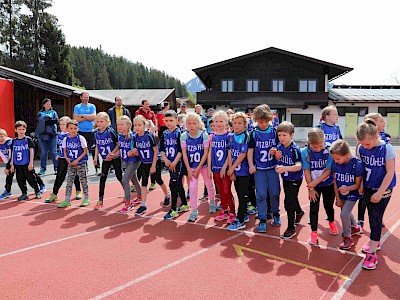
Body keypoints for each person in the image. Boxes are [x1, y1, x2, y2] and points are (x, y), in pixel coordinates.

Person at [357, 121, 396, 270]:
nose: (365, 147)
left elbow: (390, 172)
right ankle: (376, 240)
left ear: (375, 136)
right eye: (363, 144)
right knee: (371, 215)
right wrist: (361, 184)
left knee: (376, 218)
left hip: (383, 189)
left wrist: (380, 192)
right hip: (368, 187)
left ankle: (372, 253)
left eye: (368, 144)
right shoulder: (361, 148)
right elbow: (361, 168)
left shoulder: (387, 149)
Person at [302, 128, 337, 245]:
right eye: (315, 147)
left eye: (320, 146)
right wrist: (311, 188)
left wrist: (314, 183)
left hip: (328, 183)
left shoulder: (329, 150)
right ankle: (313, 233)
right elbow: (306, 171)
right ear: (309, 143)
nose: (318, 149)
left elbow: (328, 170)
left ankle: (332, 222)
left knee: (328, 206)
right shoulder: (305, 152)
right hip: (314, 185)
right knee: (313, 208)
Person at [248, 104, 280, 233]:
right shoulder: (254, 134)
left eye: (266, 121)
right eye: (261, 122)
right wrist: (251, 165)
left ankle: (275, 213)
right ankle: (262, 219)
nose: (263, 124)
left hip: (272, 168)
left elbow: (279, 148)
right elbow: (250, 151)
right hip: (260, 169)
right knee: (260, 194)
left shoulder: (274, 132)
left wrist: (276, 151)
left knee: (274, 193)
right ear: (256, 120)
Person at [357, 113, 390, 231]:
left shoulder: (385, 142)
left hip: (379, 183)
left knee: (376, 211)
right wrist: (360, 183)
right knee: (364, 201)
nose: (384, 123)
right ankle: (360, 220)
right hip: (367, 181)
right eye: (381, 121)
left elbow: (389, 168)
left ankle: (377, 222)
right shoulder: (363, 143)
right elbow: (360, 162)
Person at [181, 113, 216, 222]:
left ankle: (212, 201)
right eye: (189, 123)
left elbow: (206, 153)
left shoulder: (204, 135)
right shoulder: (184, 136)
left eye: (194, 123)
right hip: (191, 166)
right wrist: (188, 170)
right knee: (192, 187)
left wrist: (199, 167)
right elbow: (184, 154)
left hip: (203, 165)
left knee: (209, 184)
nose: (191, 126)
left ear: (198, 124)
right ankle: (194, 210)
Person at [330, 140, 363, 250]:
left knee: (344, 214)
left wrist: (347, 188)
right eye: (334, 158)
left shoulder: (357, 164)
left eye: (338, 159)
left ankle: (348, 237)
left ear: (347, 155)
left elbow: (357, 185)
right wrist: (337, 198)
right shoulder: (335, 163)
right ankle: (355, 227)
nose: (335, 161)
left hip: (353, 193)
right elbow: (335, 181)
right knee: (346, 211)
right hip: (341, 193)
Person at [132, 115, 168, 215]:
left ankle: (167, 195)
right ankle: (143, 204)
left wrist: (153, 165)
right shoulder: (135, 137)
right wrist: (134, 152)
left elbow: (155, 151)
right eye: (135, 125)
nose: (137, 127)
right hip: (144, 163)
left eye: (139, 125)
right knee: (144, 183)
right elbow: (138, 150)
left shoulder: (149, 136)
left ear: (144, 125)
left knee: (158, 180)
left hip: (154, 162)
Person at [274, 121, 304, 239]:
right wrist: (276, 156)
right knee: (292, 198)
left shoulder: (295, 149)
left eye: (284, 135)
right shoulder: (279, 147)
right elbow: (278, 160)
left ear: (291, 135)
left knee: (288, 201)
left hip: (295, 178)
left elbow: (298, 166)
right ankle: (299, 212)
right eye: (279, 135)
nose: (281, 138)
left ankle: (291, 228)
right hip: (286, 178)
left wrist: (285, 168)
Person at [160, 110, 190, 219]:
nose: (168, 123)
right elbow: (162, 149)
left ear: (176, 121)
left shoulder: (179, 133)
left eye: (171, 120)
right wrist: (165, 159)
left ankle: (173, 209)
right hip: (169, 163)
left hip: (178, 163)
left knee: (173, 185)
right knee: (178, 184)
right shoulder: (164, 133)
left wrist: (174, 162)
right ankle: (184, 204)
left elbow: (181, 150)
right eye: (166, 120)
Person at [44, 116, 82, 203]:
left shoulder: (72, 135)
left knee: (74, 175)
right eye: (60, 124)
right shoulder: (60, 135)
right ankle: (54, 194)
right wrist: (58, 154)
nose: (61, 126)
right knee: (59, 176)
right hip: (62, 158)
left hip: (71, 158)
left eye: (64, 124)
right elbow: (60, 146)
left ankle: (78, 191)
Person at [208, 110, 235, 224]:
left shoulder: (229, 136)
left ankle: (232, 212)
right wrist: (209, 168)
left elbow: (230, 154)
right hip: (215, 169)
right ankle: (224, 210)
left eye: (221, 121)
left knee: (227, 190)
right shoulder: (212, 137)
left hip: (225, 169)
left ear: (226, 122)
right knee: (220, 191)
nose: (219, 123)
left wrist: (225, 167)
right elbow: (210, 153)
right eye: (216, 121)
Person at [57, 119, 90, 208]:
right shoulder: (65, 139)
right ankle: (67, 200)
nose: (73, 130)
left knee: (83, 180)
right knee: (69, 181)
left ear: (77, 129)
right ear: (67, 129)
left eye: (75, 128)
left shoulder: (80, 138)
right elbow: (64, 150)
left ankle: (86, 197)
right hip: (71, 163)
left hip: (80, 163)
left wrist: (77, 160)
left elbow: (85, 151)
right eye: (71, 128)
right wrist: (66, 158)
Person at [226, 112, 251, 231]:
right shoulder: (230, 136)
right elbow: (230, 152)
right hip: (235, 170)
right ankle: (244, 214)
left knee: (242, 195)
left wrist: (232, 168)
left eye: (239, 123)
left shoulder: (246, 136)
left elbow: (242, 154)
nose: (236, 125)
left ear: (245, 124)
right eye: (235, 123)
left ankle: (240, 220)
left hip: (244, 171)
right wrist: (231, 169)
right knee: (238, 193)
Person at [93, 112, 123, 209]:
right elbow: (97, 145)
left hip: (114, 157)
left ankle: (127, 194)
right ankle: (100, 199)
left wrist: (113, 153)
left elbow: (118, 144)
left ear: (107, 122)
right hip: (105, 158)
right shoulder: (96, 133)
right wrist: (95, 157)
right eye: (97, 122)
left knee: (119, 176)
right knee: (103, 177)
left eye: (101, 121)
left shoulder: (111, 132)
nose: (99, 124)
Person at [10, 121, 43, 200]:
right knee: (20, 180)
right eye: (19, 129)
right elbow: (12, 152)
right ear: (15, 130)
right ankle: (24, 193)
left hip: (26, 163)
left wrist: (31, 162)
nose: (21, 131)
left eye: (23, 129)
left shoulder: (28, 139)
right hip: (17, 164)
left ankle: (37, 190)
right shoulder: (14, 141)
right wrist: (12, 164)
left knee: (31, 179)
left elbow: (31, 151)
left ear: (25, 130)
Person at [116, 116, 142, 213]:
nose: (120, 126)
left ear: (128, 125)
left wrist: (133, 152)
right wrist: (114, 154)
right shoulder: (120, 136)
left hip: (134, 160)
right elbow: (120, 148)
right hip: (125, 160)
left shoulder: (132, 136)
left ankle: (128, 203)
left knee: (125, 179)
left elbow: (138, 148)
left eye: (122, 124)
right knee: (133, 178)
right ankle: (139, 196)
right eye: (118, 124)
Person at [73, 92, 99, 174]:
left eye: (87, 97)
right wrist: (88, 117)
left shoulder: (92, 106)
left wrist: (82, 115)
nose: (86, 99)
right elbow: (76, 119)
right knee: (82, 150)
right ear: (81, 98)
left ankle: (97, 167)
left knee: (94, 150)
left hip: (90, 131)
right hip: (80, 132)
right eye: (84, 97)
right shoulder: (77, 107)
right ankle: (84, 168)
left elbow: (93, 117)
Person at [35, 98, 59, 175]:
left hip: (52, 134)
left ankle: (56, 168)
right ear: (44, 105)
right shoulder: (40, 113)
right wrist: (48, 120)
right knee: (44, 152)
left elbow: (56, 121)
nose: (49, 105)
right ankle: (43, 169)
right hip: (42, 135)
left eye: (50, 104)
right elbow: (40, 121)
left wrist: (47, 121)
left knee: (53, 152)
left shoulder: (53, 112)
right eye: (47, 104)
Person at [0, 128, 14, 199]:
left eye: (2, 136)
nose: (0, 139)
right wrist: (7, 166)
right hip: (10, 162)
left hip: (19, 161)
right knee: (9, 176)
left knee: (29, 174)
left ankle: (41, 185)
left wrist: (7, 167)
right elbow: (4, 157)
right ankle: (7, 191)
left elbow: (11, 156)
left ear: (6, 136)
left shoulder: (10, 143)